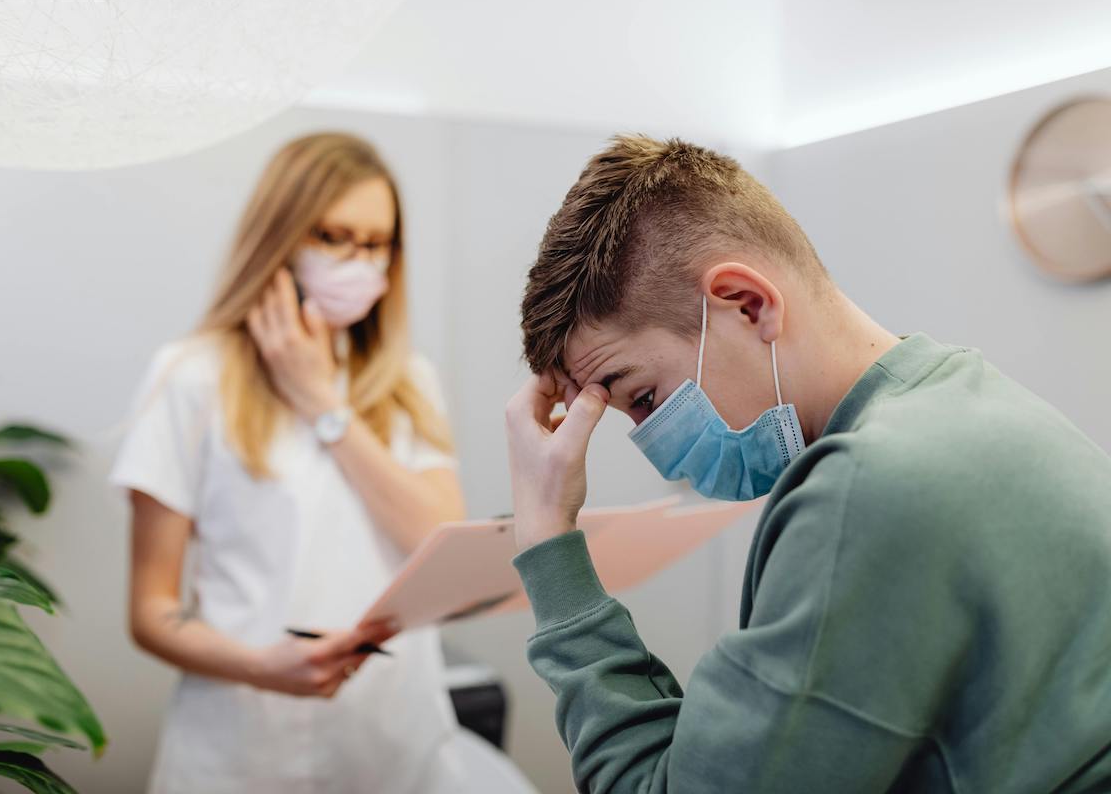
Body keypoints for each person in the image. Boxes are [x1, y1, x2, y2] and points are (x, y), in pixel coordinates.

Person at [504, 134, 1111, 792]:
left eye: (646, 398)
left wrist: (547, 539)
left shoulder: (870, 490)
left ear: (748, 303)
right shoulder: (972, 401)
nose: (662, 457)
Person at [113, 133, 480, 793]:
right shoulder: (192, 377)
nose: (357, 261)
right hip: (240, 751)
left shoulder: (410, 381)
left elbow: (437, 540)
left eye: (376, 243)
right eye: (333, 236)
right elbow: (151, 610)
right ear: (279, 235)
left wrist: (322, 403)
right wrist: (260, 666)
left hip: (396, 744)